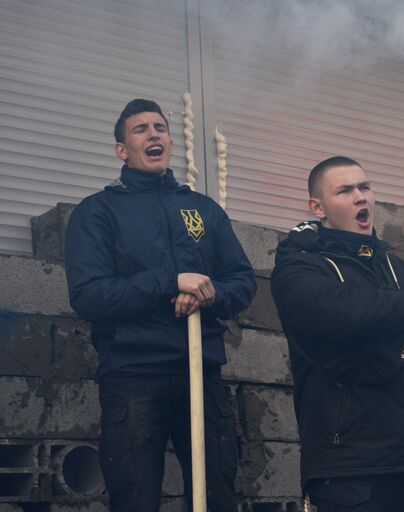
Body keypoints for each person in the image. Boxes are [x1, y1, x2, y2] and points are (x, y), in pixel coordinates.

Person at [65, 99, 257, 512]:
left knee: (217, 497)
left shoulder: (203, 210)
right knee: (135, 498)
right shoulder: (97, 213)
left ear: (170, 143)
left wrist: (212, 293)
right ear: (122, 150)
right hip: (133, 377)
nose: (154, 134)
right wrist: (169, 282)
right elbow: (89, 295)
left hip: (201, 374)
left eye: (160, 127)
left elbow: (242, 282)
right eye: (140, 129)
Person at [270, 156, 404, 512]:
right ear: (317, 207)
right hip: (351, 472)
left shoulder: (398, 269)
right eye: (346, 190)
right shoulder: (298, 266)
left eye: (365, 187)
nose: (360, 197)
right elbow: (339, 311)